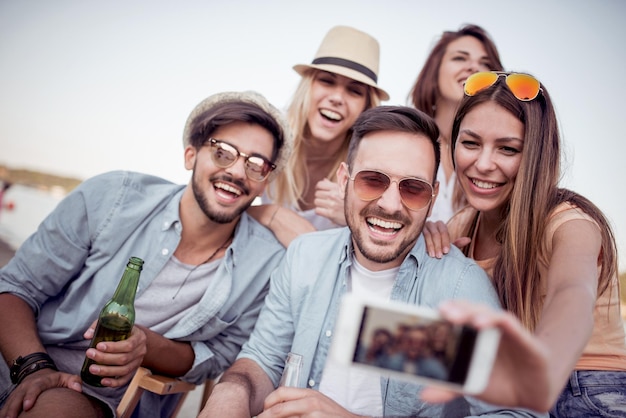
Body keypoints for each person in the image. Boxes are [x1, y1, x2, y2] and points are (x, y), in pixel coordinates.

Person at [198, 105, 545, 418]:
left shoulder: (455, 289)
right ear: (344, 180)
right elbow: (263, 359)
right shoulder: (306, 258)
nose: (391, 204)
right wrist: (231, 392)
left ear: (433, 196)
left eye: (413, 188)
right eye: (373, 180)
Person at [0, 90, 294, 418]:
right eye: (223, 152)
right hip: (20, 354)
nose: (238, 172)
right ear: (190, 155)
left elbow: (215, 357)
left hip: (100, 400)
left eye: (256, 164)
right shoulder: (112, 197)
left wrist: (146, 345)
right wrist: (35, 368)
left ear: (265, 181)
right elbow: (16, 288)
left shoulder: (265, 265)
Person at [422, 71, 626, 415]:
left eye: (508, 149)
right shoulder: (460, 225)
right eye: (470, 143)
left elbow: (573, 292)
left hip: (589, 385)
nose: (483, 164)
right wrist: (430, 241)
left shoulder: (569, 222)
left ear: (536, 154)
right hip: (506, 389)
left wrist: (545, 366)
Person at [259, 25, 389, 231]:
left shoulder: (371, 170)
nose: (337, 98)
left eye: (354, 91)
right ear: (308, 86)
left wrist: (354, 216)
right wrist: (268, 213)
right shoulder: (270, 137)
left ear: (366, 106)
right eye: (327, 82)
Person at [407, 24, 504, 223]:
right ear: (434, 73)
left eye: (485, 64)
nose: (473, 68)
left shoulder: (502, 158)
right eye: (460, 58)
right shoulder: (405, 142)